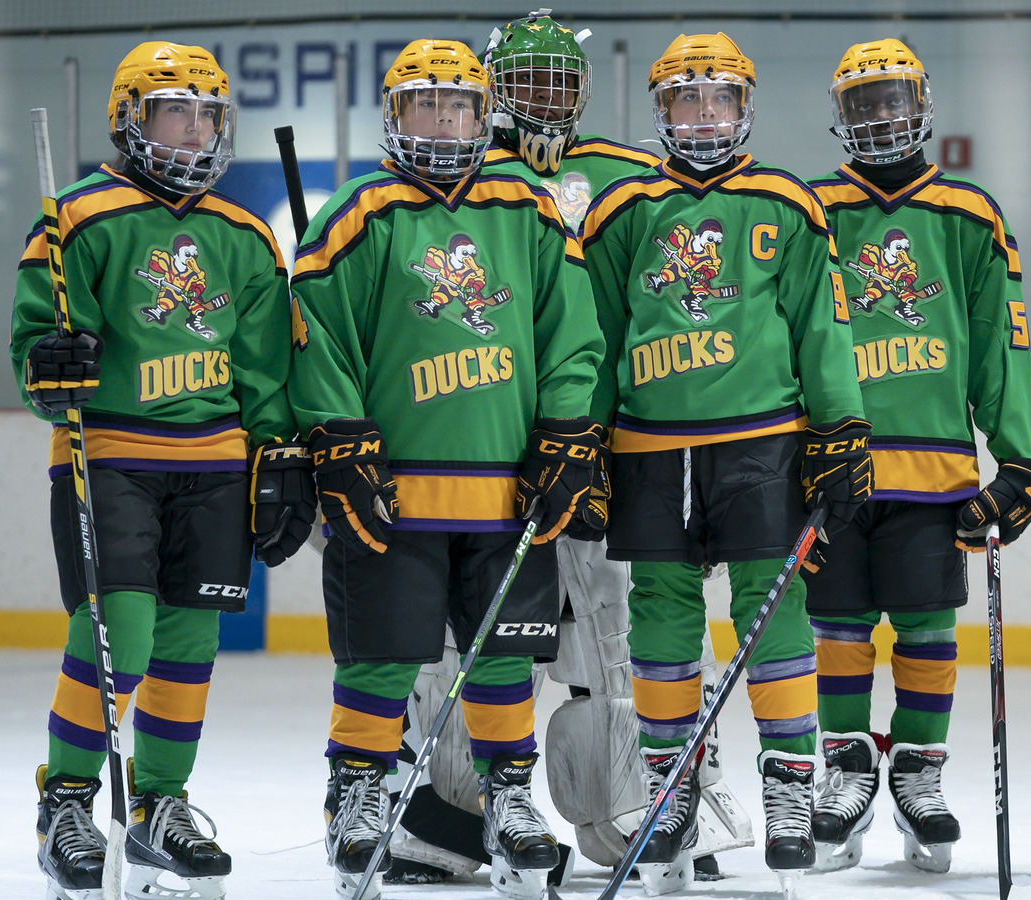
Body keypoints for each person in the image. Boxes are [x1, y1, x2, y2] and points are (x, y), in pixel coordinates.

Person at [387, 11, 755, 887]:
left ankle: (640, 803)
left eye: (561, 81)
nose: (546, 99)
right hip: (473, 443)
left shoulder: (634, 176)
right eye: (526, 83)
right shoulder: (457, 180)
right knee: (459, 640)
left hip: (603, 445)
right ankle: (447, 810)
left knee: (611, 635)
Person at [288, 38, 605, 900]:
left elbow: (571, 333)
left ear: (484, 113)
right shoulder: (361, 211)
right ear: (396, 114)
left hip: (508, 487)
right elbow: (318, 337)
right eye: (428, 104)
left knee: (506, 654)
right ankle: (355, 790)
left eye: (462, 106)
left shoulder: (529, 205)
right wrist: (340, 436)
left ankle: (510, 796)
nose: (447, 121)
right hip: (396, 491)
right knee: (384, 654)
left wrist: (565, 430)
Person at [11, 40, 309, 900]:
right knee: (120, 633)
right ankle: (66, 801)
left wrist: (279, 452)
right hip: (110, 459)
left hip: (215, 465)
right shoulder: (78, 217)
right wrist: (50, 360)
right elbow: (36, 346)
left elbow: (263, 369)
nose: (194, 128)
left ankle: (160, 807)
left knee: (188, 644)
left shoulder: (245, 233)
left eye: (209, 112)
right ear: (131, 118)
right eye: (175, 109)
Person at [577, 32, 873, 898]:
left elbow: (825, 326)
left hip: (763, 439)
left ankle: (788, 786)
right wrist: (579, 439)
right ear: (660, 111)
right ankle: (671, 789)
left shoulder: (787, 204)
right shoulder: (623, 209)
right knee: (662, 615)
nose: (703, 115)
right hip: (649, 444)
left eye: (719, 99)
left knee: (773, 605)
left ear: (745, 108)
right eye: (685, 99)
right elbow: (595, 340)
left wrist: (841, 426)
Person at [804, 39, 1031, 876]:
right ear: (840, 116)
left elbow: (1001, 346)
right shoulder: (809, 209)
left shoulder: (969, 213)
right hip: (835, 469)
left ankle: (917, 772)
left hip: (931, 473)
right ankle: (846, 770)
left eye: (893, 100)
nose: (880, 117)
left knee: (923, 626)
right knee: (838, 627)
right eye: (863, 103)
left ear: (920, 104)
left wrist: (1020, 459)